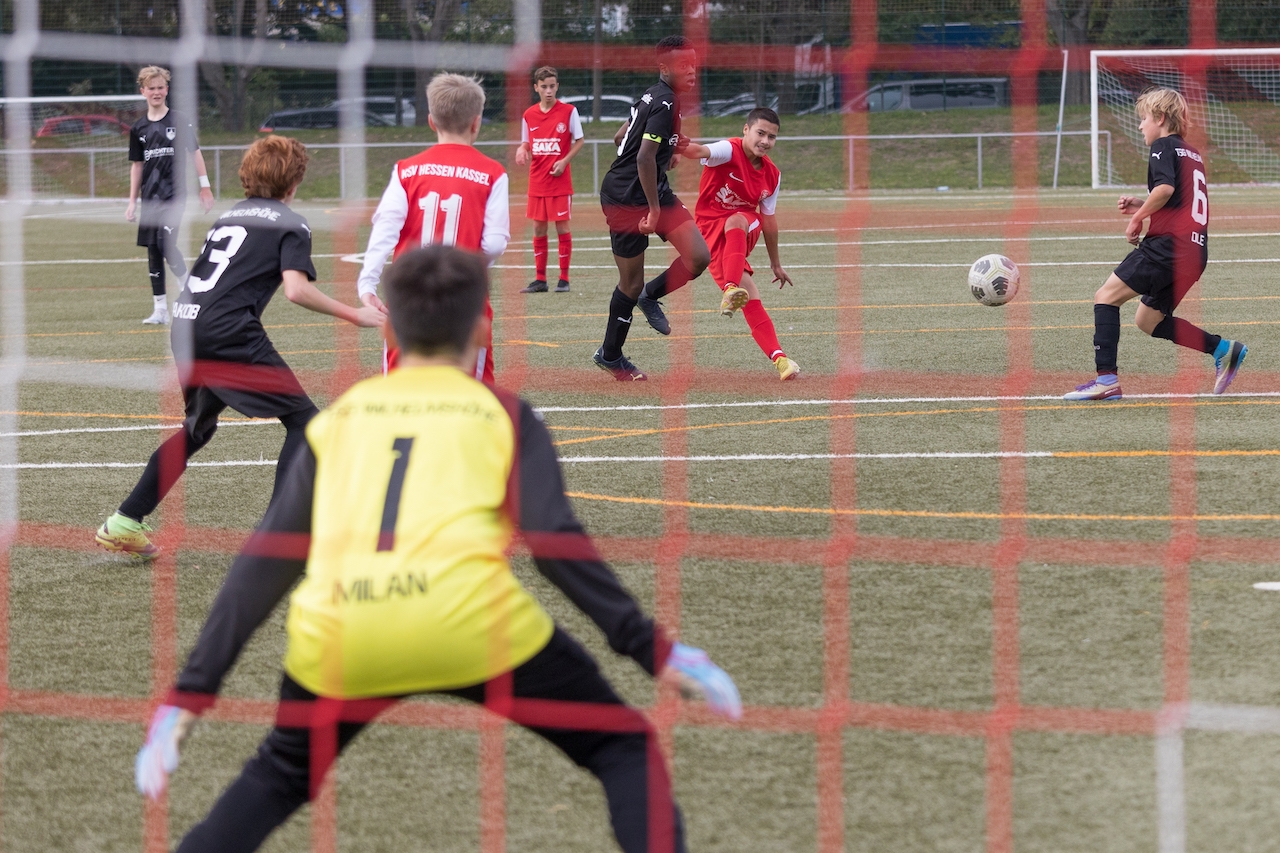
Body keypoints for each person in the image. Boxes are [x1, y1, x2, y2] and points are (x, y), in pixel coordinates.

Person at [133, 245, 741, 853]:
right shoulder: (504, 414)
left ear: (389, 330)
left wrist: (192, 692)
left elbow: (269, 557)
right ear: (482, 328)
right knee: (621, 746)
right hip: (471, 623)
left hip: (345, 634)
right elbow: (556, 545)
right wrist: (652, 649)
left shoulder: (338, 420)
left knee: (280, 775)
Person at [95, 136, 386, 559]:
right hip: (227, 332)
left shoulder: (231, 215)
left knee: (196, 429)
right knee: (305, 424)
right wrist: (355, 315)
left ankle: (125, 520)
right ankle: (277, 542)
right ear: (294, 182)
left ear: (247, 177)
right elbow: (296, 290)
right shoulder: (291, 223)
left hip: (186, 324)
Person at [1065, 87, 1246, 401]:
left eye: (1144, 118)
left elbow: (1164, 190)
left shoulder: (1162, 145)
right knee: (1148, 320)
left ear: (1160, 118)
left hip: (1168, 249)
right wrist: (1142, 204)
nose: (1140, 126)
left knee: (1106, 296)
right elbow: (1180, 201)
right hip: (1194, 253)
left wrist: (1138, 218)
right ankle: (1223, 349)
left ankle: (1106, 380)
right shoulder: (1192, 153)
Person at [358, 73, 510, 382]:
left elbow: (385, 228)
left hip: (410, 295)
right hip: (464, 294)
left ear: (430, 121)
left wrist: (367, 283)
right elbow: (494, 244)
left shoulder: (406, 170)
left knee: (401, 384)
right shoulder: (493, 173)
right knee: (471, 387)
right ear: (476, 123)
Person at [593, 35, 710, 382]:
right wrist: (655, 211)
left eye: (693, 63)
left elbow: (621, 138)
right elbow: (643, 157)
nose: (691, 70)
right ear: (664, 67)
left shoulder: (657, 96)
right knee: (629, 284)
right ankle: (610, 355)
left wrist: (669, 151)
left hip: (652, 188)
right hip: (627, 199)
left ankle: (650, 296)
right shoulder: (664, 102)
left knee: (698, 256)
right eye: (683, 64)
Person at [672, 107, 799, 381]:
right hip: (710, 234)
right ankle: (781, 359)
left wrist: (776, 264)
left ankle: (730, 289)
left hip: (743, 226)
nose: (765, 141)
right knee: (750, 295)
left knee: (737, 220)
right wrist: (675, 141)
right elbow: (698, 151)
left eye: (772, 137)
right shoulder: (729, 150)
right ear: (746, 130)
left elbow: (769, 220)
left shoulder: (772, 175)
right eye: (760, 133)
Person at [126, 65, 216, 325]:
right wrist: (132, 202)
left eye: (160, 87)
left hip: (175, 195)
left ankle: (189, 290)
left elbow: (194, 153)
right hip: (150, 199)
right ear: (143, 91)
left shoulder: (179, 120)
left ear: (167, 89)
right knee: (153, 250)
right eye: (151, 88)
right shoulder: (138, 128)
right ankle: (160, 310)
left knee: (165, 243)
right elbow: (137, 166)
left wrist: (205, 186)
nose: (156, 92)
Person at [516, 66, 585, 294]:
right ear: (536, 87)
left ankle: (564, 279)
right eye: (544, 86)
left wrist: (564, 161)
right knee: (538, 227)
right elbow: (526, 142)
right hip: (537, 180)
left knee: (562, 226)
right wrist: (522, 149)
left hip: (559, 181)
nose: (548, 91)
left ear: (557, 86)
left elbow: (580, 140)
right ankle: (540, 280)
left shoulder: (569, 111)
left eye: (552, 86)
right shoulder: (529, 115)